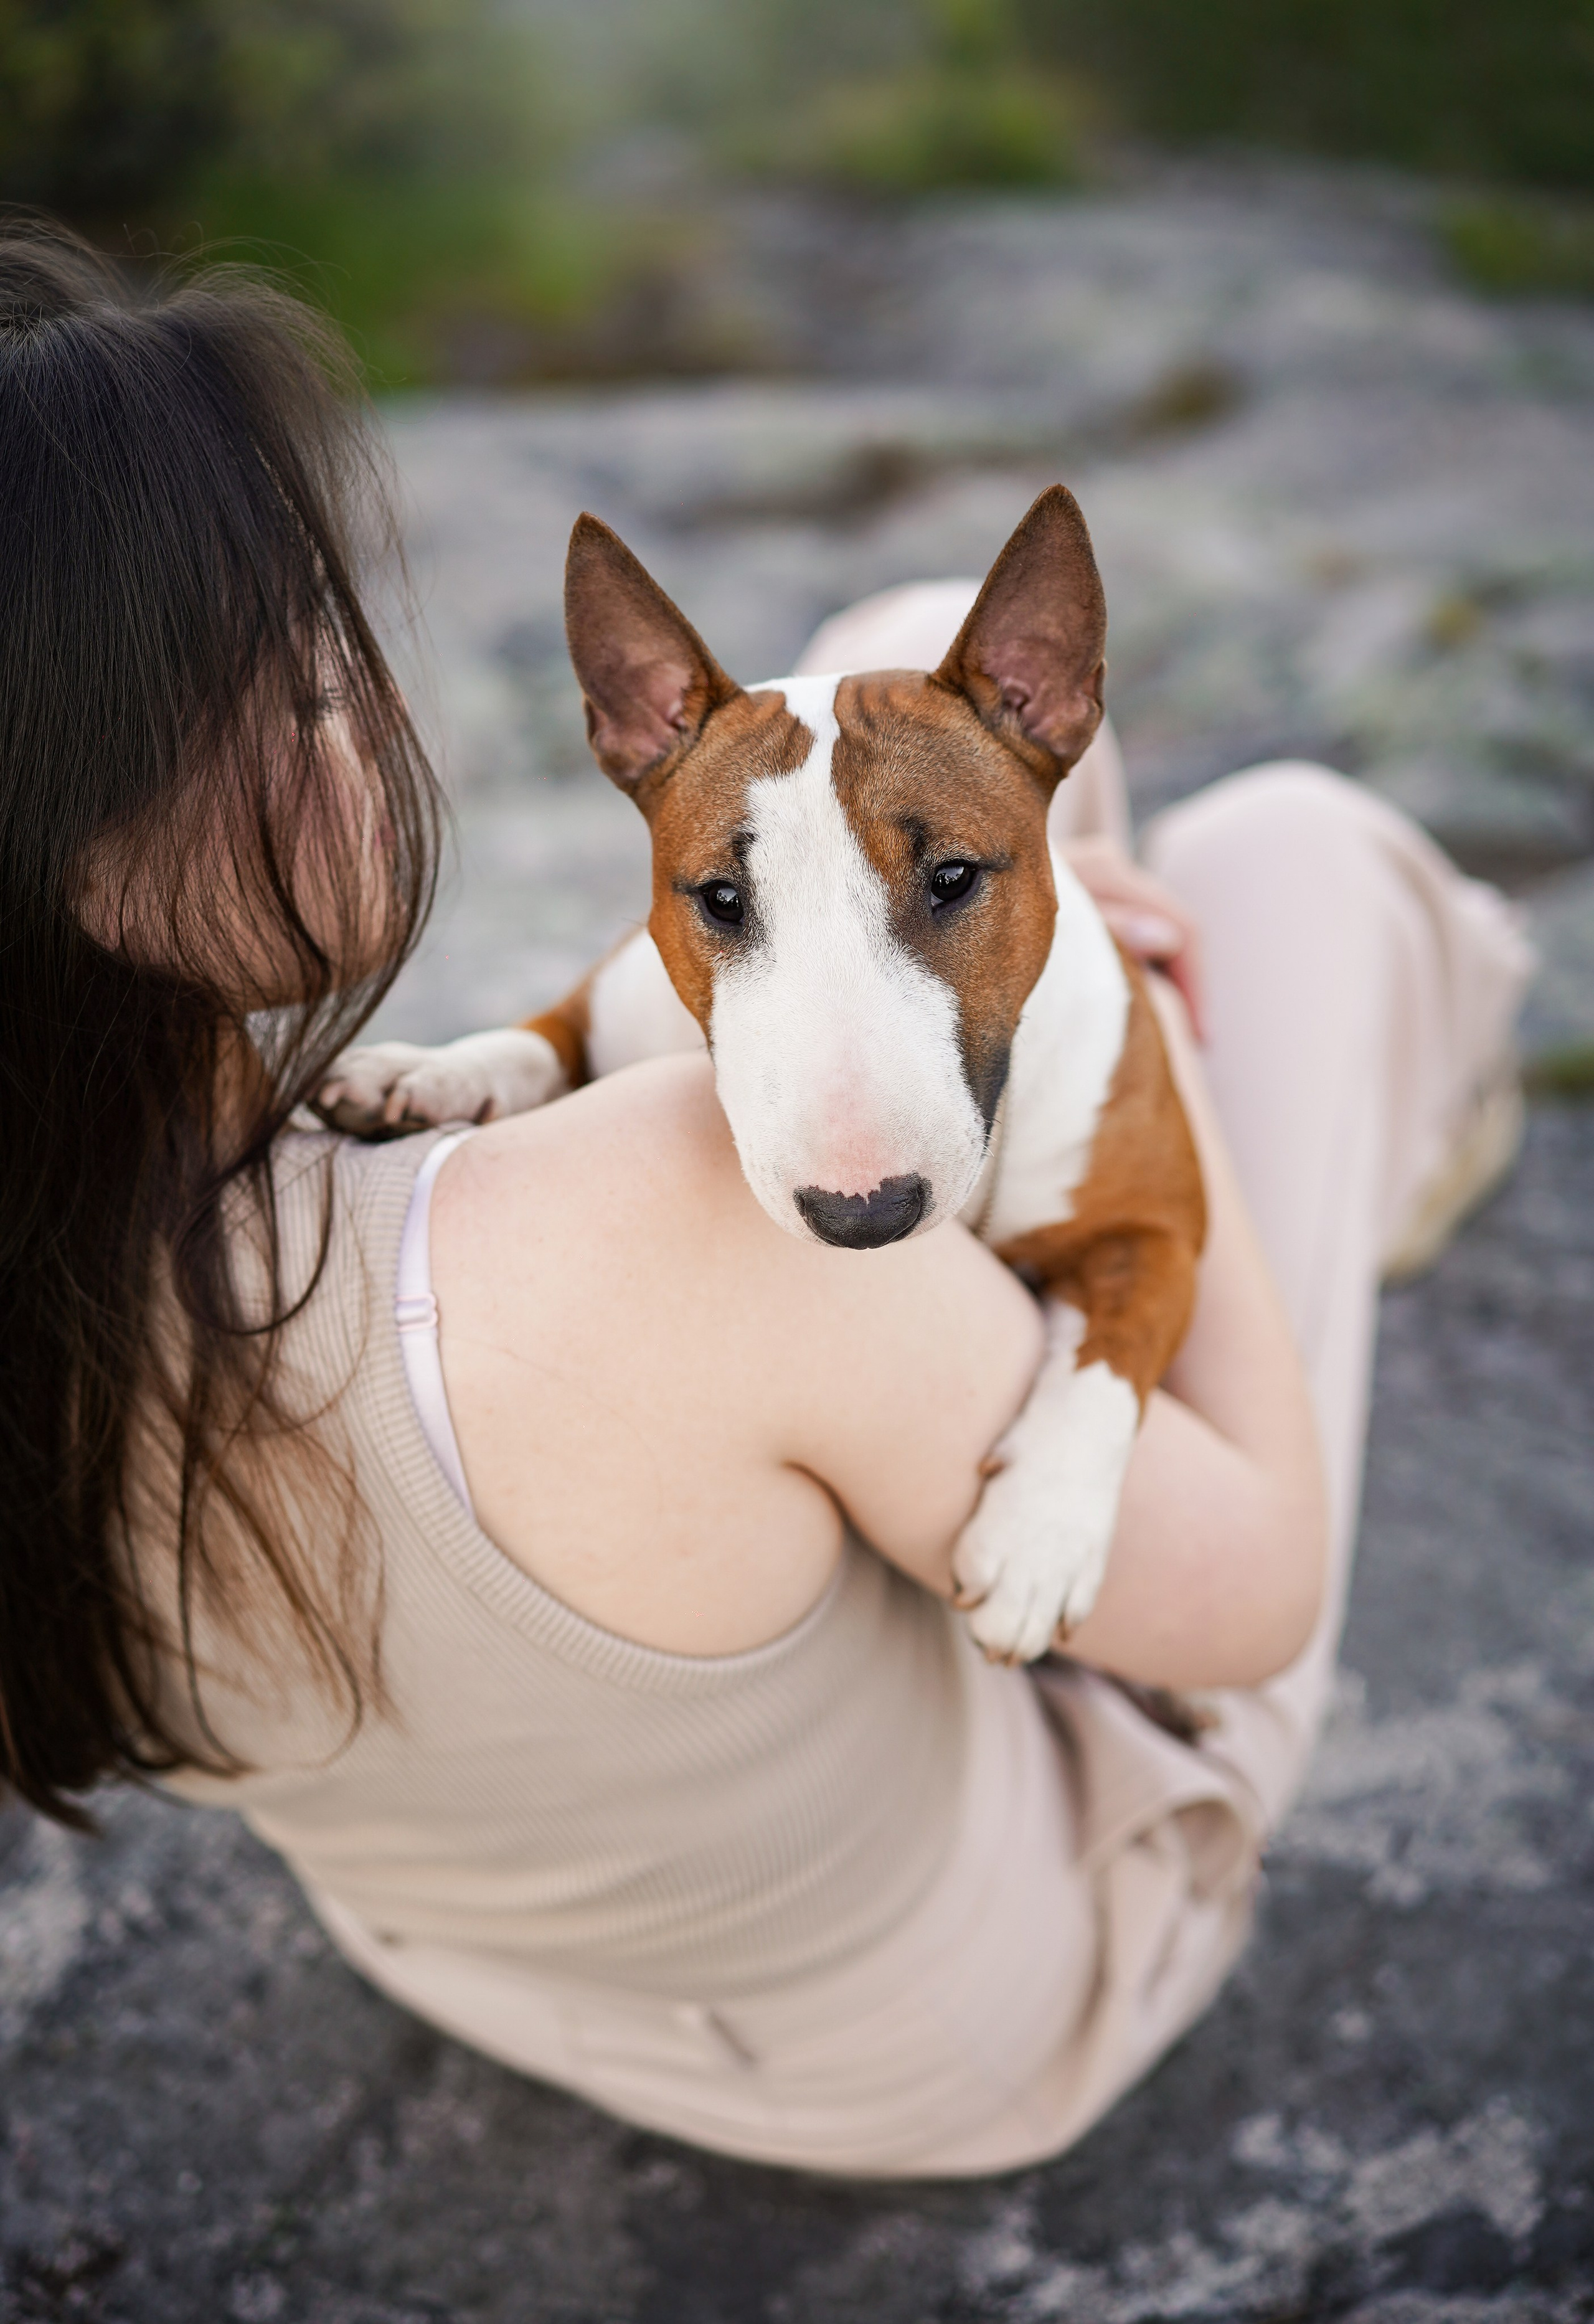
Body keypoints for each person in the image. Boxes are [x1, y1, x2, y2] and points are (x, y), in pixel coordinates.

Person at [0, 221, 1533, 2177]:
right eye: (295, 663)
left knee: (913, 643)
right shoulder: (697, 1211)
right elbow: (1243, 1599)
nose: (347, 685)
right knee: (1300, 858)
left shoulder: (57, 1287)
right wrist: (1103, 1003)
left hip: (470, 1954)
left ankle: (1040, 906)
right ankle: (1439, 1026)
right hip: (964, 2029)